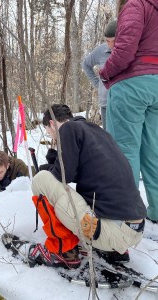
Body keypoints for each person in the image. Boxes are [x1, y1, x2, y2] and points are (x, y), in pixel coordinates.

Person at [27, 104, 146, 269]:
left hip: (111, 231)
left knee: (40, 179)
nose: (52, 137)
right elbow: (89, 172)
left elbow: (64, 176)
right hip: (133, 228)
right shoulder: (97, 132)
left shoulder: (67, 129)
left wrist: (51, 167)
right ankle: (113, 250)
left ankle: (64, 250)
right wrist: (56, 162)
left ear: (52, 124)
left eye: (49, 132)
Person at [99, 0, 158, 223]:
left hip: (132, 85)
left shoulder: (137, 5)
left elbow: (123, 51)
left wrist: (105, 74)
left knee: (124, 149)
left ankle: (128, 214)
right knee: (153, 152)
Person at [82, 19, 117, 129]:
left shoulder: (129, 50)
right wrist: (98, 84)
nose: (110, 45)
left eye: (114, 41)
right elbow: (86, 64)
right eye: (107, 41)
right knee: (108, 138)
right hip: (106, 103)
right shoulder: (101, 50)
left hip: (123, 103)